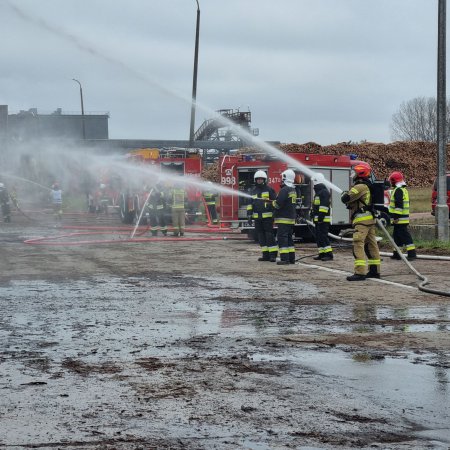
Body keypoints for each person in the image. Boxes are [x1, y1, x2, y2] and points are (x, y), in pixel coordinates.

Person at [341, 164, 381, 281]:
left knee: (358, 244)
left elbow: (346, 198)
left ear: (360, 173)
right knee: (372, 246)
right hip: (370, 220)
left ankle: (360, 272)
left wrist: (344, 195)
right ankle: (375, 271)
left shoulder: (359, 187)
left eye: (354, 172)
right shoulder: (367, 185)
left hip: (361, 221)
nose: (352, 175)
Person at [247, 170, 278, 262]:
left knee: (269, 236)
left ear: (264, 179)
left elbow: (275, 203)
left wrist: (274, 214)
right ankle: (265, 255)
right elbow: (250, 204)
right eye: (258, 179)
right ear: (255, 180)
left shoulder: (269, 190)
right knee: (261, 237)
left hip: (267, 218)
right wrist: (249, 215)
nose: (259, 181)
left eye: (261, 179)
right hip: (257, 218)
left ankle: (273, 255)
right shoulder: (253, 191)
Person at [388, 171, 417, 260]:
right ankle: (397, 253)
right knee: (397, 237)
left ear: (393, 181)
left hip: (400, 219)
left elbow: (399, 205)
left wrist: (396, 217)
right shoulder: (402, 190)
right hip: (401, 219)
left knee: (405, 237)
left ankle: (412, 254)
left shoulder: (398, 190)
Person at [273, 169, 297, 265]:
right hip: (290, 219)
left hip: (283, 219)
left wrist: (273, 203)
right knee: (289, 239)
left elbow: (278, 204)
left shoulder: (284, 190)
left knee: (282, 239)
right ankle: (291, 259)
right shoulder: (293, 189)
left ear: (285, 177)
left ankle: (284, 259)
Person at [311, 173, 333, 261]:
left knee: (323, 237)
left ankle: (329, 254)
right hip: (318, 220)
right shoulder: (319, 192)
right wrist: (312, 213)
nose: (313, 183)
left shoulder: (324, 192)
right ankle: (322, 253)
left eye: (314, 181)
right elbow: (316, 206)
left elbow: (324, 207)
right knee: (319, 237)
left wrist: (320, 218)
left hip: (323, 220)